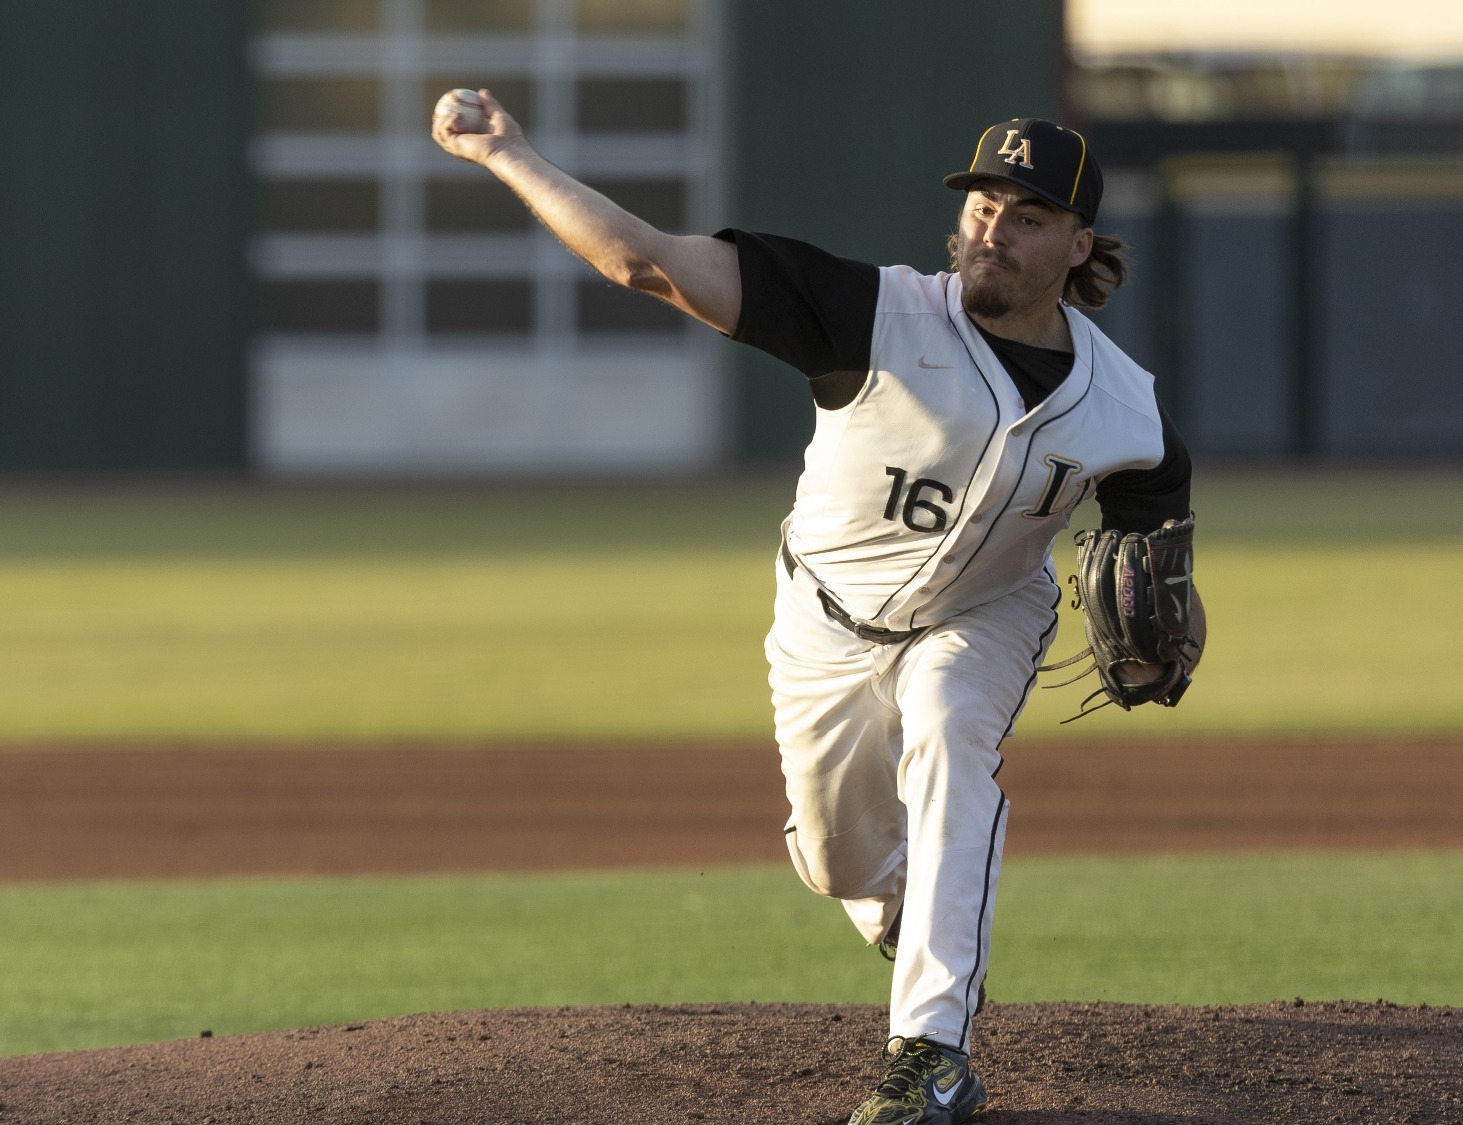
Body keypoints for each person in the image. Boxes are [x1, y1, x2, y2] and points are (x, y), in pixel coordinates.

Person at [435, 97, 1191, 1125]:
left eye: (1026, 215)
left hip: (983, 620)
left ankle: (927, 1053)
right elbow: (641, 262)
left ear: (1078, 244)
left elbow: (1153, 541)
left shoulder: (1126, 409)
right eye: (981, 204)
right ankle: (899, 911)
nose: (992, 229)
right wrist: (505, 153)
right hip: (824, 620)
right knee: (833, 857)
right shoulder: (865, 311)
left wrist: (1158, 634)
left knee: (945, 739)